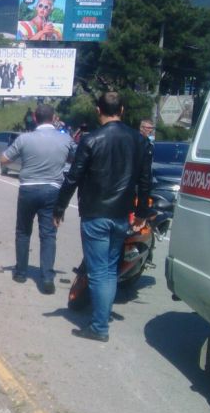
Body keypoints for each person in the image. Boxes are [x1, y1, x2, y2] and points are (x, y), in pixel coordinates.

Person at [53, 92, 151, 342]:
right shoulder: (139, 141)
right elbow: (145, 180)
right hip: (121, 215)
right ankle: (102, 318)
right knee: (108, 270)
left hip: (96, 213)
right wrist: (141, 214)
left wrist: (59, 208)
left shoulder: (91, 140)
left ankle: (99, 327)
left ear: (98, 110)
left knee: (98, 272)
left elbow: (73, 177)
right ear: (123, 109)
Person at [1, 104, 75, 294]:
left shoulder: (24, 139)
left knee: (23, 232)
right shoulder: (64, 139)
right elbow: (75, 159)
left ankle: (21, 272)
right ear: (54, 118)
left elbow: (4, 159)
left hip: (28, 189)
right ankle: (48, 277)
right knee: (48, 235)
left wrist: (26, 158)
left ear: (34, 117)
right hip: (52, 190)